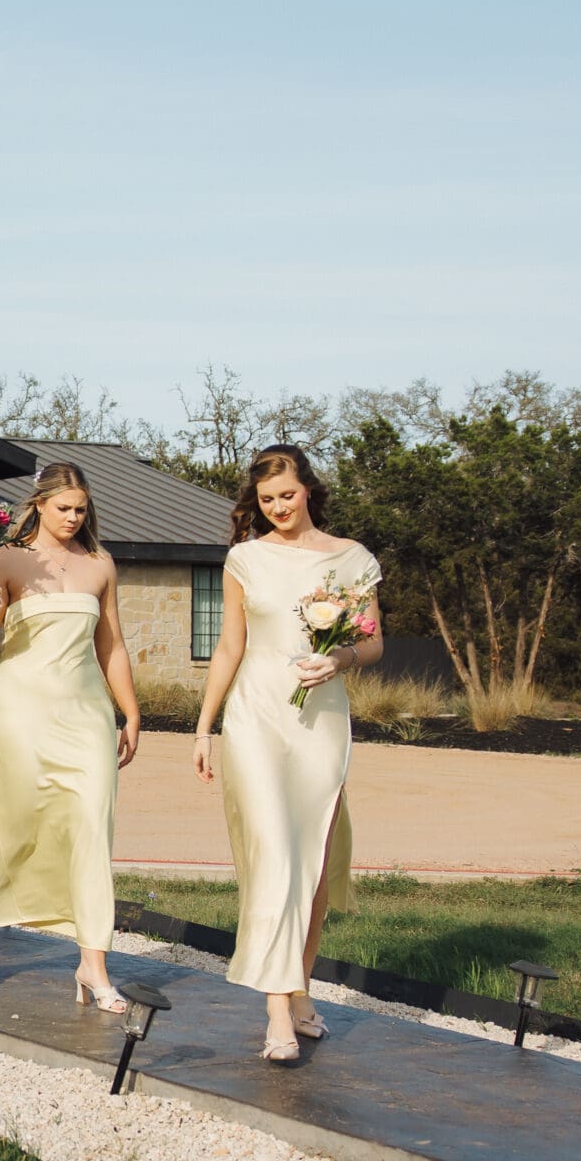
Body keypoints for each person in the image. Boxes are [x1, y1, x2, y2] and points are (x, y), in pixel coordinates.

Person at [192, 445, 383, 1064]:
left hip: (321, 720)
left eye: (287, 495)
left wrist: (340, 658)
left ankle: (299, 987)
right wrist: (204, 727)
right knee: (274, 850)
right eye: (267, 499)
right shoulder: (244, 558)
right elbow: (229, 647)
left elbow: (373, 642)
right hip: (255, 717)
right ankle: (277, 1005)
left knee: (314, 859)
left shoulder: (351, 559)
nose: (278, 507)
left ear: (309, 491)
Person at [0, 463, 144, 1011]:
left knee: (91, 825)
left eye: (81, 509)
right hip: (21, 711)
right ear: (38, 504)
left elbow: (111, 644)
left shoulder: (100, 564)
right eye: (63, 508)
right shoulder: (3, 559)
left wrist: (131, 712)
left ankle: (93, 964)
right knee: (12, 820)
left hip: (86, 714)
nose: (73, 517)